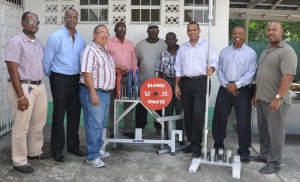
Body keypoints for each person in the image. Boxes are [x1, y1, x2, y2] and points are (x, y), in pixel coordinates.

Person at [250, 21, 297, 174]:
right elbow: (262, 75)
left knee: (276, 133)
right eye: (269, 29)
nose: (271, 32)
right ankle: (265, 156)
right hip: (263, 99)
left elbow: (288, 77)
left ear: (281, 31)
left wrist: (278, 97)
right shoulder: (266, 51)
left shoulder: (287, 51)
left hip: (276, 101)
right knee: (264, 130)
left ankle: (274, 163)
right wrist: (256, 95)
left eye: (274, 30)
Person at [5, 11, 48, 174]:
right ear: (22, 22)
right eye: (30, 21)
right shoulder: (15, 42)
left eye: (37, 22)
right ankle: (19, 160)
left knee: (38, 123)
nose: (34, 24)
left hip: (39, 86)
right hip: (24, 87)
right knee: (21, 126)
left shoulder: (37, 43)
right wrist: (20, 96)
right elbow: (12, 69)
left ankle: (34, 152)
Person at [43, 9, 86, 162]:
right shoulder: (55, 37)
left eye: (75, 17)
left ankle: (73, 147)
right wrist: (54, 78)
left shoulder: (81, 39)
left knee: (75, 114)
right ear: (65, 18)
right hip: (60, 79)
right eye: (69, 17)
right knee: (59, 115)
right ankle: (57, 149)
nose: (72, 19)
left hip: (76, 80)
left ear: (77, 19)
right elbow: (47, 62)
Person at [212, 26, 257, 164]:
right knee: (219, 119)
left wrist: (236, 85)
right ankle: (218, 146)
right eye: (235, 33)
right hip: (225, 88)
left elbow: (251, 72)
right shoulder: (224, 51)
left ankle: (244, 151)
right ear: (232, 35)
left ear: (244, 35)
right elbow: (219, 70)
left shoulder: (251, 53)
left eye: (240, 33)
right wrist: (227, 85)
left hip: (242, 90)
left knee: (243, 121)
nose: (237, 35)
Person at [174, 22, 218, 158]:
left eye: (194, 30)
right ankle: (191, 142)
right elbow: (178, 67)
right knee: (188, 113)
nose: (192, 32)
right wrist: (176, 84)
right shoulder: (183, 48)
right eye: (189, 30)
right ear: (187, 32)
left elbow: (215, 61)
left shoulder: (206, 45)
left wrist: (211, 68)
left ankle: (197, 145)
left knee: (198, 113)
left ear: (199, 31)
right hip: (186, 83)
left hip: (202, 82)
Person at [79, 24, 115, 168]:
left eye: (107, 33)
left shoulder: (104, 49)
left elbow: (103, 68)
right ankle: (92, 156)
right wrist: (93, 93)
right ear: (94, 35)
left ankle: (98, 148)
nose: (105, 35)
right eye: (101, 32)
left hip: (104, 93)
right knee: (94, 124)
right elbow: (87, 73)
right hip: (94, 92)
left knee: (100, 123)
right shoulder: (90, 51)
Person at [106, 22, 138, 139]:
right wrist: (117, 67)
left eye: (124, 27)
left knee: (129, 104)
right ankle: (113, 129)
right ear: (115, 29)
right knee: (112, 104)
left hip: (128, 78)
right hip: (113, 77)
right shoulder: (109, 43)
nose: (121, 29)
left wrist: (134, 75)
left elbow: (133, 60)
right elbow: (105, 61)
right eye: (119, 27)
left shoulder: (130, 44)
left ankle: (128, 129)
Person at [135, 22, 167, 136]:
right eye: (151, 29)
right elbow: (136, 63)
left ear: (158, 31)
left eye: (155, 29)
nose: (153, 31)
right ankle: (140, 128)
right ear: (147, 31)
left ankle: (159, 128)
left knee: (158, 106)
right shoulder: (140, 45)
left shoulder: (164, 44)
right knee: (141, 106)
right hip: (143, 82)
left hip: (159, 83)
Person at [155, 32, 185, 144]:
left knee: (180, 110)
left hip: (180, 83)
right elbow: (159, 72)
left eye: (172, 39)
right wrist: (161, 87)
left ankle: (181, 137)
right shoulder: (162, 54)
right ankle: (168, 136)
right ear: (166, 41)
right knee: (167, 110)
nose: (170, 41)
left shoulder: (182, 52)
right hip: (167, 82)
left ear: (176, 40)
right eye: (168, 39)